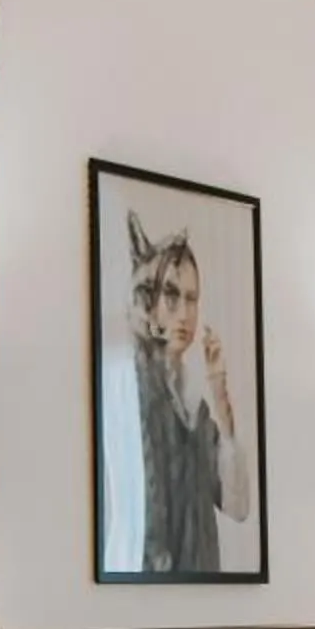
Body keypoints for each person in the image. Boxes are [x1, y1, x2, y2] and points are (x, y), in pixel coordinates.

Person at [101, 210, 249, 577]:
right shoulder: (130, 390)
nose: (184, 313)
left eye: (192, 298)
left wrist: (221, 402)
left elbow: (237, 506)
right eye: (171, 295)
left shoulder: (196, 407)